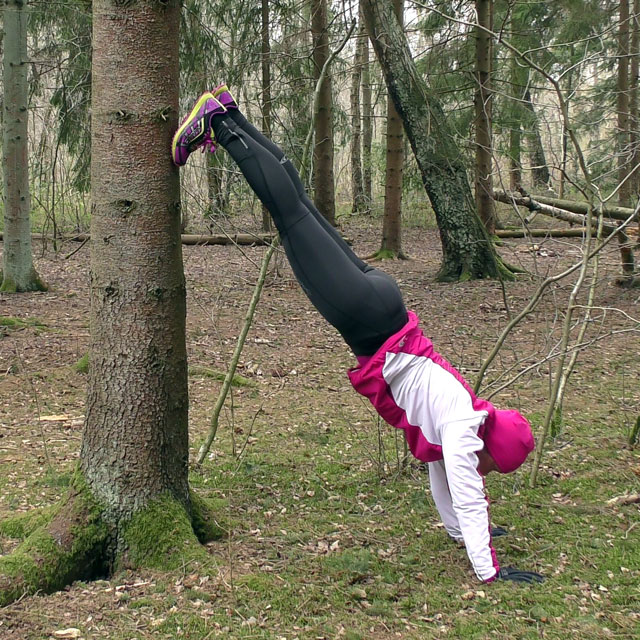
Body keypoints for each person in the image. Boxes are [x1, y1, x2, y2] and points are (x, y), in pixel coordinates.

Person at [172, 87, 544, 585]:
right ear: (491, 450)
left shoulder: (462, 420)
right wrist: (489, 571)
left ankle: (230, 112)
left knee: (300, 206)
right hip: (368, 321)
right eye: (494, 467)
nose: (486, 473)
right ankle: (219, 125)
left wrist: (458, 534)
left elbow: (445, 481)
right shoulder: (461, 431)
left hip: (383, 305)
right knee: (291, 217)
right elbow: (467, 492)